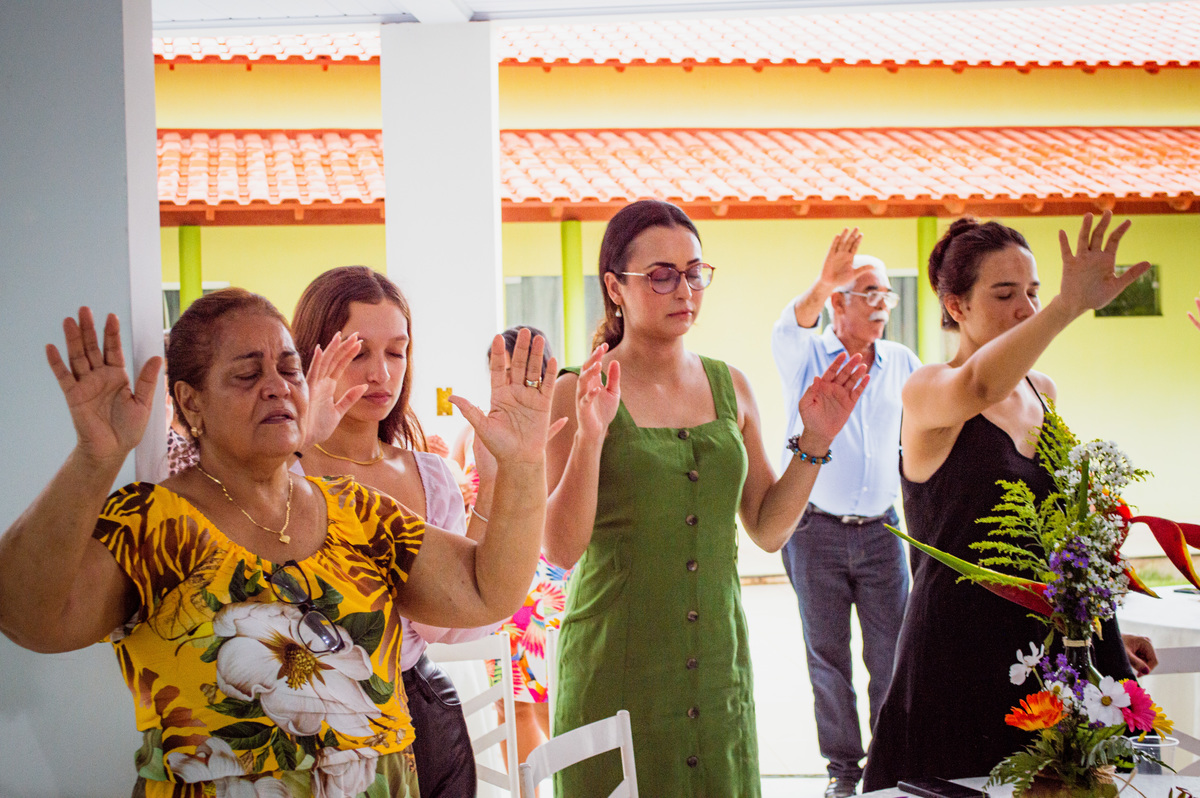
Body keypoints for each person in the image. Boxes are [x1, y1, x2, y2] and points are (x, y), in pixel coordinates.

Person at [0, 291, 555, 798]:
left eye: (289, 369)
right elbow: (26, 618)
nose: (277, 386)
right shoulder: (152, 522)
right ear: (191, 403)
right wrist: (93, 459)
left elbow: (486, 590)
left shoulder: (358, 511)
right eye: (247, 374)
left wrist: (524, 465)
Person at [546, 199, 871, 798]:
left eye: (695, 272)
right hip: (616, 664)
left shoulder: (731, 385)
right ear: (615, 287)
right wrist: (591, 437)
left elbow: (768, 529)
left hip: (717, 668)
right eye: (661, 275)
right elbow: (561, 549)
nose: (684, 290)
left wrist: (815, 442)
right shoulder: (578, 390)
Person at [862, 212, 1158, 790]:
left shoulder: (1042, 391)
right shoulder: (928, 389)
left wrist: (1099, 634)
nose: (1026, 308)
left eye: (1034, 292)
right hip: (956, 657)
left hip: (1047, 662)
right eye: (1004, 294)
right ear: (955, 305)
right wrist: (1067, 306)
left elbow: (1057, 536)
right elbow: (979, 386)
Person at [291, 266, 494, 798]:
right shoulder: (278, 473)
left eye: (397, 352)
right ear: (313, 355)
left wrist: (498, 481)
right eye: (359, 352)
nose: (381, 373)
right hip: (302, 720)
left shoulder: (428, 475)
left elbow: (455, 621)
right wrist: (292, 446)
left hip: (421, 715)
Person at [771, 229, 920, 798]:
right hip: (815, 531)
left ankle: (890, 764)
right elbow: (790, 325)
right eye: (869, 292)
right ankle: (842, 771)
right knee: (827, 657)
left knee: (891, 655)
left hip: (883, 532)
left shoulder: (902, 362)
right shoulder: (807, 354)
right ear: (838, 301)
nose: (882, 304)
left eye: (887, 294)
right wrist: (823, 281)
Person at [454, 326, 574, 773]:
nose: (506, 377)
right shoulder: (471, 430)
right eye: (498, 368)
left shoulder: (553, 425)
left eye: (517, 367)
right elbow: (463, 494)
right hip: (493, 575)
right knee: (513, 704)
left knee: (537, 704)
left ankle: (564, 782)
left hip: (535, 578)